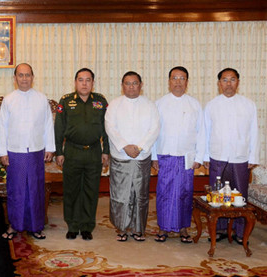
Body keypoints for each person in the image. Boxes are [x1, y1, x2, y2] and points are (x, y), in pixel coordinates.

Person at [0, 63, 55, 240]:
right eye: (21, 75)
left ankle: (35, 226)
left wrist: (50, 148)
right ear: (15, 78)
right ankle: (14, 226)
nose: (24, 79)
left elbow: (48, 125)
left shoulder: (41, 98)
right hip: (15, 152)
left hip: (36, 151)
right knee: (16, 190)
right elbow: (2, 127)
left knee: (35, 189)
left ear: (33, 77)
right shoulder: (8, 99)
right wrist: (2, 152)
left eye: (27, 75)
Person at [203, 68, 259, 244]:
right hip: (217, 155)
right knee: (218, 195)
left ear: (238, 82)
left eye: (232, 79)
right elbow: (205, 132)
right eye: (225, 80)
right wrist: (204, 155)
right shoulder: (211, 105)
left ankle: (240, 232)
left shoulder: (248, 104)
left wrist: (253, 157)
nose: (228, 83)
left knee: (240, 196)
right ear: (219, 84)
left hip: (240, 157)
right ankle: (219, 229)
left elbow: (254, 132)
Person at [152, 66, 206, 243]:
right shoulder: (159, 104)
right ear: (169, 81)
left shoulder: (194, 104)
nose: (178, 82)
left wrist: (199, 158)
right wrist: (153, 156)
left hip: (186, 158)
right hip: (165, 155)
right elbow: (153, 132)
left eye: (182, 78)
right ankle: (163, 228)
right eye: (174, 78)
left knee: (185, 193)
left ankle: (183, 228)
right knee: (164, 193)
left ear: (187, 82)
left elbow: (201, 133)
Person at [54, 68, 109, 241]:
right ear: (75, 82)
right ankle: (72, 225)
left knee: (91, 190)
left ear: (93, 83)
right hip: (72, 151)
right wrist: (59, 152)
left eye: (88, 80)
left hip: (93, 151)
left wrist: (106, 151)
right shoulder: (66, 100)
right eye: (81, 80)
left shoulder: (100, 101)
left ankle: (86, 226)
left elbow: (107, 129)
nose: (84, 83)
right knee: (71, 190)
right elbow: (59, 129)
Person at [105, 71, 160, 242]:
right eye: (127, 83)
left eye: (135, 83)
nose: (131, 87)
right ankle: (121, 228)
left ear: (141, 85)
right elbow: (110, 128)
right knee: (120, 195)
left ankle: (138, 229)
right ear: (122, 85)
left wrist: (140, 147)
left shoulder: (150, 105)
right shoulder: (114, 105)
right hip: (121, 156)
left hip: (141, 157)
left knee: (140, 194)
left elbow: (154, 128)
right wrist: (125, 146)